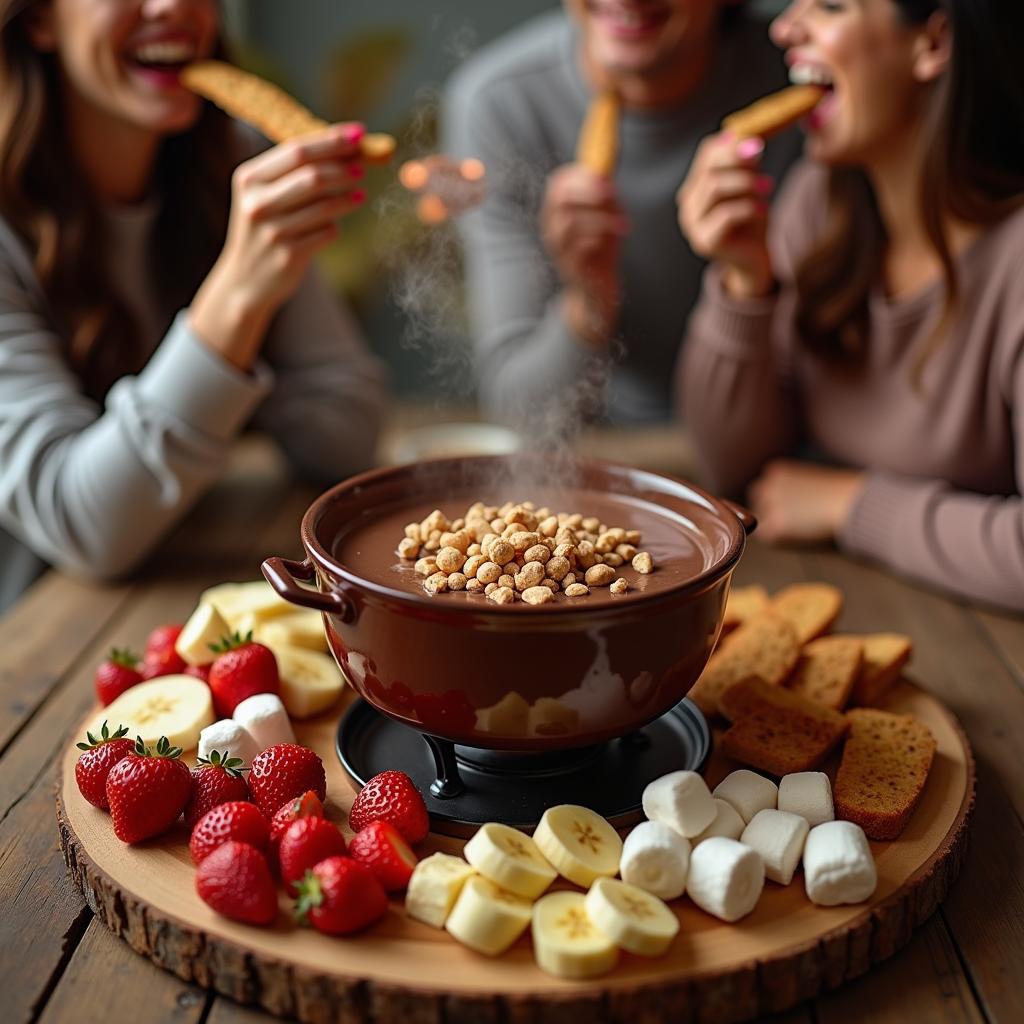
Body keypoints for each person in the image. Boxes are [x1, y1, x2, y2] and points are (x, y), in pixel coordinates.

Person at [0, 0, 387, 612]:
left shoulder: (238, 161)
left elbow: (346, 435)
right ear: (39, 20)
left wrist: (268, 320)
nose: (174, 6)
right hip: (39, 641)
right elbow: (85, 527)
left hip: (218, 589)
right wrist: (236, 298)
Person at [677, 0, 1024, 610]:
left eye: (831, 4)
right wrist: (744, 282)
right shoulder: (819, 206)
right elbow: (734, 472)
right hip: (836, 598)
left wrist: (852, 505)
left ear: (933, 44)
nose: (785, 27)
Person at [443, 1, 801, 428]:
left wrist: (749, 279)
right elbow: (522, 413)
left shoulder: (808, 73)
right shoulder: (502, 104)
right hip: (613, 446)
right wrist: (589, 300)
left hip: (781, 436)